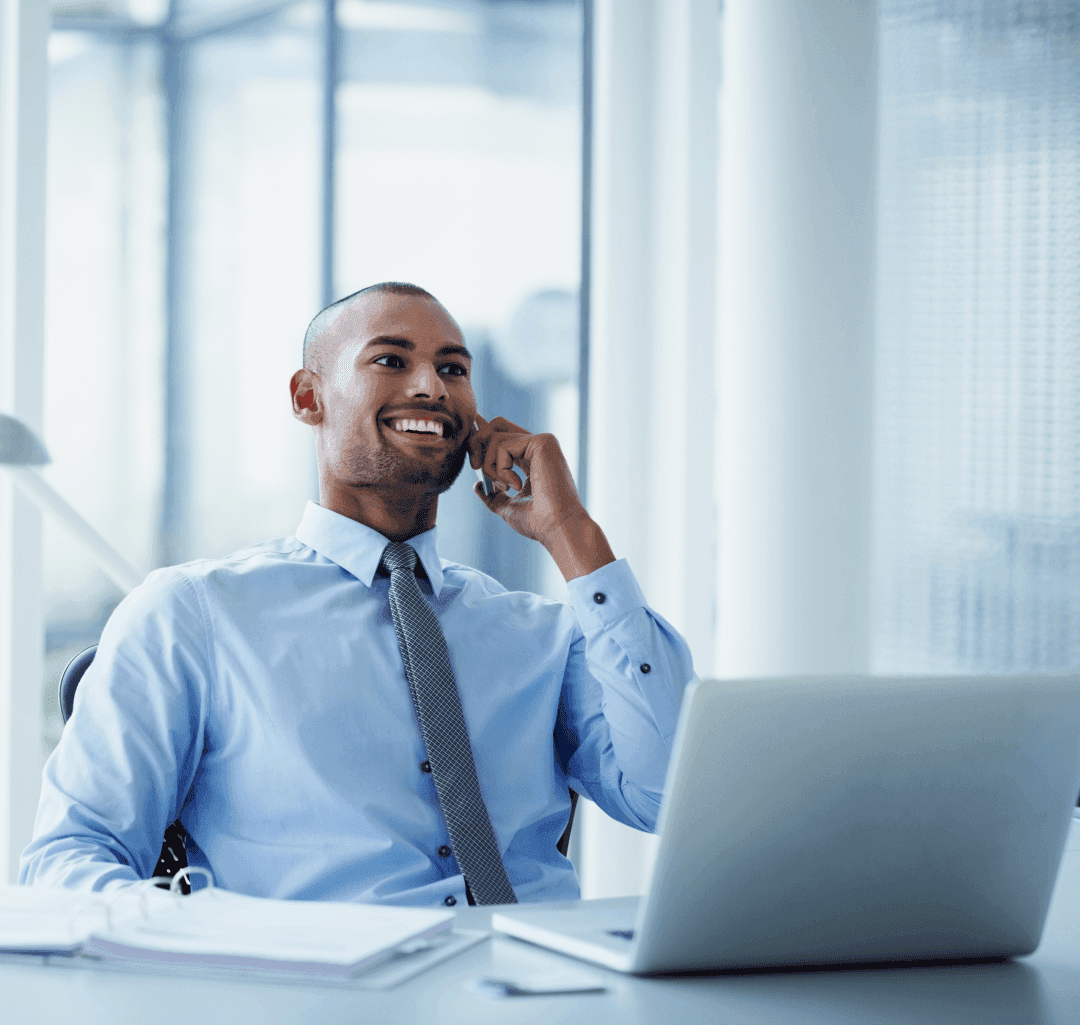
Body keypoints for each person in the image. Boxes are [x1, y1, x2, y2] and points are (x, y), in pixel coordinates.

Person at [20, 282, 696, 906]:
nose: (431, 386)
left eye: (454, 369)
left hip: (539, 986)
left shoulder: (543, 634)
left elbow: (670, 796)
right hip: (314, 992)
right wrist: (216, 940)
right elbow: (69, 859)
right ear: (308, 397)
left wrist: (573, 537)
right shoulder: (191, 615)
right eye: (391, 361)